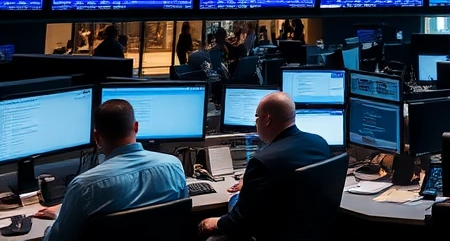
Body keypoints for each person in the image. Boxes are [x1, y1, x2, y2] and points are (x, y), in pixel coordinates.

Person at [35, 100, 187, 241]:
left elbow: (57, 239)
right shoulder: (173, 166)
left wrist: (60, 217)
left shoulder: (84, 186)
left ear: (97, 137)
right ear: (136, 127)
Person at [198, 93, 330, 240]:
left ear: (267, 120)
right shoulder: (320, 143)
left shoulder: (262, 161)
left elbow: (238, 222)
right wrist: (251, 181)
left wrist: (213, 222)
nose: (256, 122)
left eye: (256, 117)